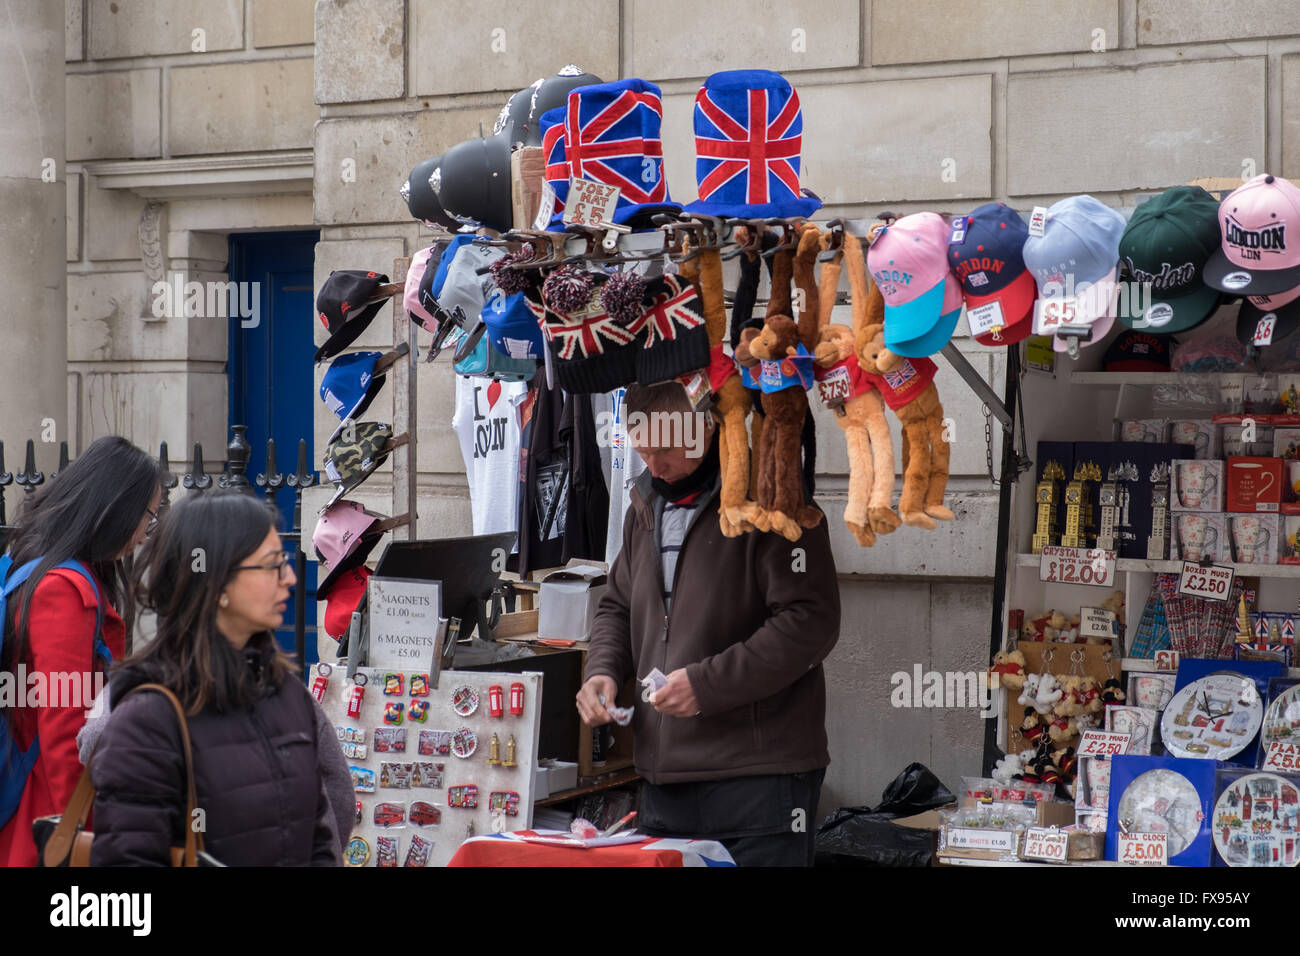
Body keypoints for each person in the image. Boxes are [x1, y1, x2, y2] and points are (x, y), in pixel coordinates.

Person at [576, 381, 841, 866]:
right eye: (642, 451)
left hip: (759, 782)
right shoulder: (645, 505)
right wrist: (603, 672)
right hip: (663, 781)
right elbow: (616, 605)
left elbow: (811, 621)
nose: (653, 466)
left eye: (664, 450)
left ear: (704, 426)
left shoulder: (773, 496)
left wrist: (707, 685)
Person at [89, 491, 339, 866]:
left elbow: (319, 839)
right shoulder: (147, 722)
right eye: (272, 565)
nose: (289, 578)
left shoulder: (287, 694)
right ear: (217, 582)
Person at [0, 436, 163, 867]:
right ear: (116, 506)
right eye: (149, 516)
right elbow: (64, 731)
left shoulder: (38, 564)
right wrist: (80, 833)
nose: (146, 536)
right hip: (47, 807)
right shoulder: (64, 591)